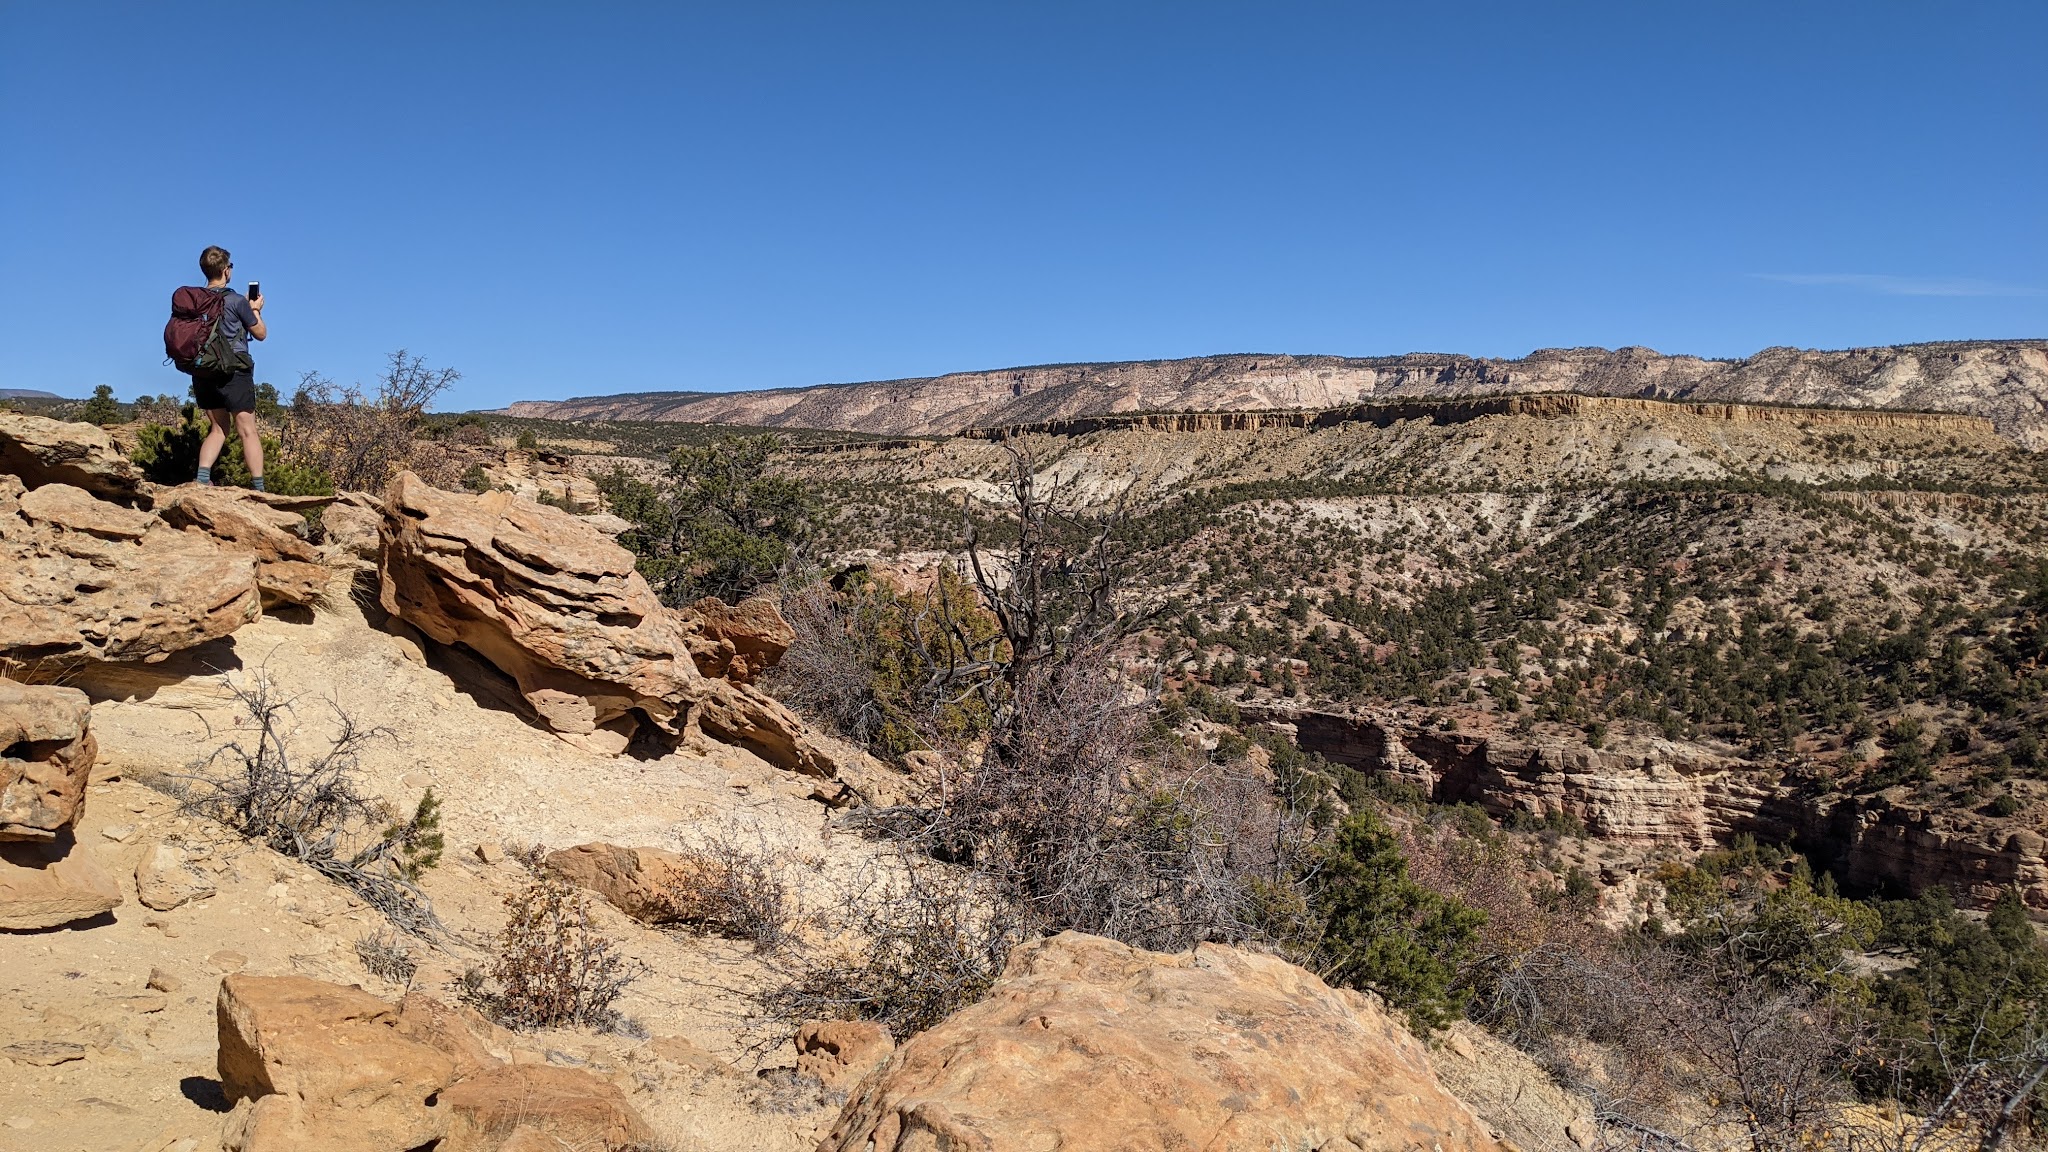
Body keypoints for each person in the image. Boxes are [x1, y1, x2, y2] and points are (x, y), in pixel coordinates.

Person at [190, 245, 268, 489]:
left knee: (218, 427)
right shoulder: (236, 301)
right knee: (248, 430)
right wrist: (254, 309)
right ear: (226, 271)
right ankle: (259, 489)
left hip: (204, 370)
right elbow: (261, 333)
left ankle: (202, 480)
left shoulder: (194, 302)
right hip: (235, 370)